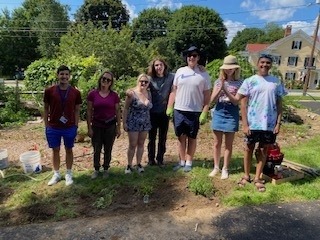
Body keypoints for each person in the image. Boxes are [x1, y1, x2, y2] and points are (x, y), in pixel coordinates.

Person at [222, 55, 287, 192]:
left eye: (268, 63)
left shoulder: (275, 82)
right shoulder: (250, 81)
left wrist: (278, 123)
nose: (265, 65)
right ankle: (246, 176)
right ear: (258, 64)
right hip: (253, 123)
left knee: (264, 150)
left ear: (271, 65)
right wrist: (245, 124)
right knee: (248, 149)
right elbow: (243, 104)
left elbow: (279, 104)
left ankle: (258, 178)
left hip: (269, 124)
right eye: (262, 62)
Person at [166, 46, 211, 172]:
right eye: (189, 55)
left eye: (194, 55)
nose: (192, 57)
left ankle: (189, 162)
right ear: (187, 57)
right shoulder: (180, 71)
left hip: (195, 111)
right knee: (181, 137)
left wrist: (205, 111)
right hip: (179, 109)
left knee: (192, 137)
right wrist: (170, 106)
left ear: (198, 58)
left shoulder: (203, 74)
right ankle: (181, 161)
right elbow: (174, 91)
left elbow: (207, 95)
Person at [44, 65, 82, 186]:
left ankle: (68, 174)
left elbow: (77, 110)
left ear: (69, 76)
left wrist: (76, 126)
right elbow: (45, 109)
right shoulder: (50, 91)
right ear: (57, 75)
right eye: (62, 74)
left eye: (66, 74)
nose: (64, 76)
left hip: (69, 127)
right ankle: (56, 174)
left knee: (69, 149)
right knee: (55, 150)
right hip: (53, 127)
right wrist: (46, 125)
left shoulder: (75, 92)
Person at [206, 55, 242, 180]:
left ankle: (225, 168)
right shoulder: (218, 81)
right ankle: (216, 167)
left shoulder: (240, 82)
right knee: (217, 143)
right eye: (226, 68)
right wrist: (219, 88)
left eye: (231, 68)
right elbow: (212, 100)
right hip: (219, 110)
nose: (228, 70)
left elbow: (236, 101)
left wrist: (225, 90)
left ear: (235, 69)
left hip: (232, 112)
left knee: (228, 144)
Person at [86, 70, 121, 179]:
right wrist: (89, 127)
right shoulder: (92, 94)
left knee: (108, 148)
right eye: (103, 78)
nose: (105, 81)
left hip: (110, 126)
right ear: (100, 79)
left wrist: (118, 127)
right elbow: (89, 111)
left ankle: (106, 169)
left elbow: (117, 111)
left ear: (111, 83)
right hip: (97, 125)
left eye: (108, 80)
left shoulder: (114, 95)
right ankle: (96, 169)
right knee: (96, 148)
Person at [122, 74, 153, 174]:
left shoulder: (149, 94)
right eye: (141, 81)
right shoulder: (132, 93)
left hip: (145, 123)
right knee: (132, 144)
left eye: (146, 82)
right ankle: (129, 165)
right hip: (133, 123)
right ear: (138, 81)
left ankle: (139, 164)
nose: (143, 83)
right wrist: (124, 123)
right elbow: (125, 108)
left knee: (141, 144)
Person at [147, 58, 174, 167]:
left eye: (160, 65)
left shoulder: (171, 77)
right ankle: (150, 159)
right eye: (156, 65)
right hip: (152, 112)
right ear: (153, 67)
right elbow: (140, 86)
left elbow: (184, 73)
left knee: (163, 137)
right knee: (151, 138)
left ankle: (160, 159)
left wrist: (200, 67)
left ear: (164, 66)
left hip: (164, 112)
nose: (159, 67)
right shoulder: (149, 79)